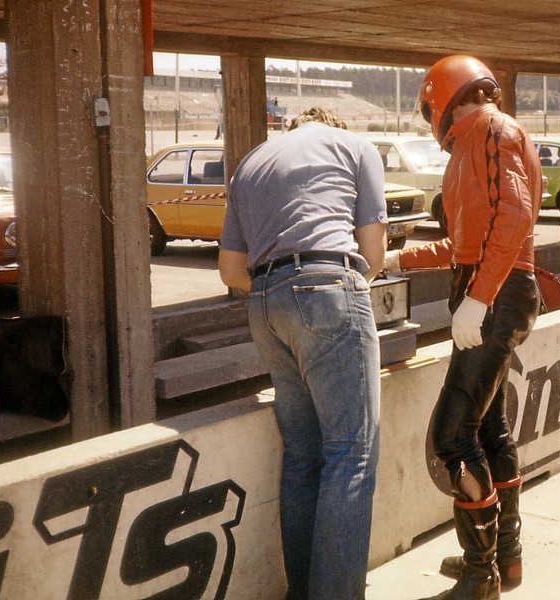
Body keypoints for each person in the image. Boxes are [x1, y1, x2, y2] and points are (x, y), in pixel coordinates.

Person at [383, 55, 542, 600]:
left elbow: (515, 217)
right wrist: (401, 260)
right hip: (500, 288)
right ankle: (505, 560)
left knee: (452, 438)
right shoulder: (487, 135)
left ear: (441, 100)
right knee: (488, 431)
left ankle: (481, 577)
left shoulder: (487, 128)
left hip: (493, 294)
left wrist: (477, 299)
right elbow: (468, 242)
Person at [218, 107, 386, 600]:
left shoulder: (249, 164)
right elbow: (372, 255)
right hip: (329, 287)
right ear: (332, 122)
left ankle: (304, 591)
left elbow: (231, 271)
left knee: (303, 454)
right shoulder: (356, 147)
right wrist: (336, 295)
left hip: (264, 306)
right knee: (351, 453)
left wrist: (286, 289)